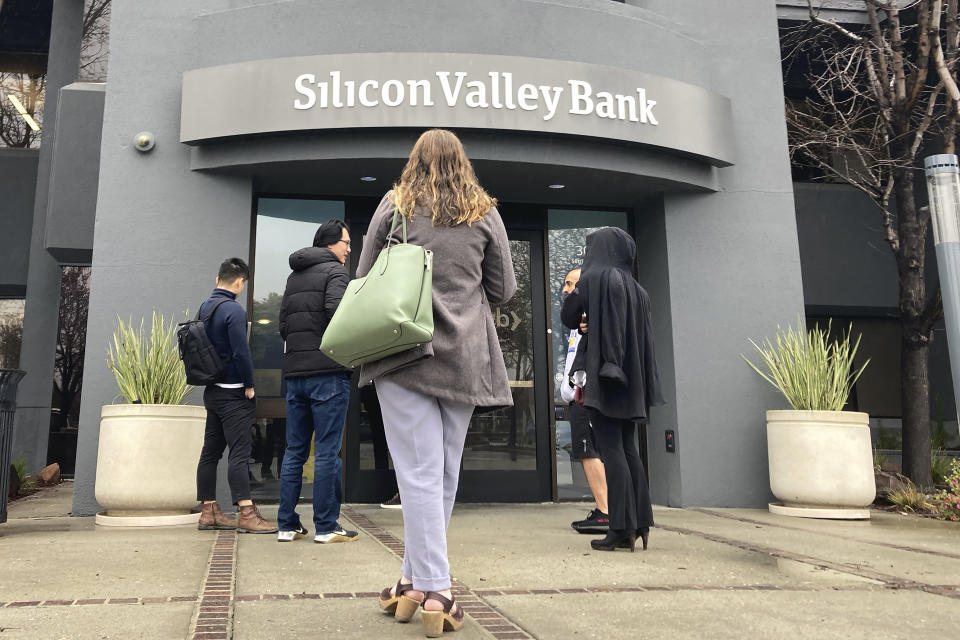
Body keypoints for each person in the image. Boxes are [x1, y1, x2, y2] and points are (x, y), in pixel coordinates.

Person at [362, 129, 516, 636]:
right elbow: (505, 288)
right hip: (465, 357)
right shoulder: (484, 211)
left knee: (418, 472)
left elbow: (365, 276)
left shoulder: (395, 205)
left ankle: (435, 588)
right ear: (462, 162)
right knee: (442, 472)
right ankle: (412, 580)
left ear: (414, 161)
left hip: (403, 354)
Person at [561, 228, 663, 552]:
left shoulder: (594, 280)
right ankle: (640, 522)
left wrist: (580, 312)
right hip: (633, 380)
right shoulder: (637, 290)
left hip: (606, 375)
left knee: (610, 449)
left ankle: (619, 527)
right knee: (629, 447)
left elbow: (567, 315)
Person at [276, 219, 358, 544]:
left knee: (294, 450)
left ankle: (287, 524)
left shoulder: (294, 276)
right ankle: (326, 526)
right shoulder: (336, 273)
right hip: (328, 373)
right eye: (346, 243)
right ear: (329, 244)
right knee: (326, 451)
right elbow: (338, 313)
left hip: (296, 376)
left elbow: (283, 325)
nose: (349, 250)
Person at [195, 257, 278, 533]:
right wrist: (250, 385)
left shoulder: (204, 308)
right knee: (239, 454)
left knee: (210, 453)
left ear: (218, 279)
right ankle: (246, 513)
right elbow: (242, 352)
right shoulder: (233, 311)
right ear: (240, 282)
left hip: (212, 392)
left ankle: (209, 510)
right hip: (233, 394)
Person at [560, 267, 609, 534]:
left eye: (570, 284)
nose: (566, 289)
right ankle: (607, 509)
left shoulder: (591, 321)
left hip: (585, 399)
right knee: (589, 452)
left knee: (589, 452)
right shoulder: (577, 324)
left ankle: (605, 511)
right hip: (578, 398)